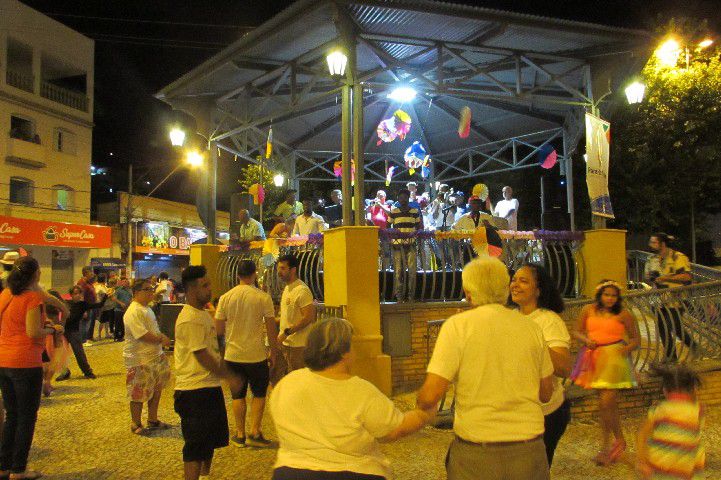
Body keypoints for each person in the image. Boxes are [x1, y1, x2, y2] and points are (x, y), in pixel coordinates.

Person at [417, 256, 555, 480]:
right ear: (505, 287)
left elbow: (431, 394)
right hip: (529, 450)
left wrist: (419, 409)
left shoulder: (458, 327)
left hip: (477, 453)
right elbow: (546, 392)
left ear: (468, 292)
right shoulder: (532, 328)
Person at [270, 318, 434, 480]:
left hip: (291, 471)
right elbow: (393, 431)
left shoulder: (288, 383)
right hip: (354, 471)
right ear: (344, 352)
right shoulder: (361, 391)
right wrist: (423, 415)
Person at [0, 256, 68, 480]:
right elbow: (32, 331)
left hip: (4, 361)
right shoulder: (31, 299)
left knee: (12, 416)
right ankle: (19, 469)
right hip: (25, 361)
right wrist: (52, 329)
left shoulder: (6, 294)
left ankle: (5, 466)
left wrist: (59, 308)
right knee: (27, 418)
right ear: (36, 274)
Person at [173, 266, 239, 480]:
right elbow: (201, 355)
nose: (210, 289)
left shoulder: (201, 314)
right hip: (193, 390)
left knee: (209, 440)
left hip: (208, 387)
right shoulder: (189, 318)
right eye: (205, 285)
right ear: (192, 290)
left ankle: (204, 476)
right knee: (195, 445)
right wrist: (229, 375)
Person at [571, 280, 641, 465]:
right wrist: (586, 340)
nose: (610, 298)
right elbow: (576, 331)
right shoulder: (588, 310)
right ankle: (617, 441)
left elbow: (635, 339)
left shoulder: (623, 314)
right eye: (606, 294)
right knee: (607, 406)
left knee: (605, 402)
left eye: (613, 295)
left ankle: (607, 445)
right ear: (600, 295)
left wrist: (624, 350)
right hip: (594, 357)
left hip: (614, 359)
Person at [510, 264, 572, 466]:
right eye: (514, 280)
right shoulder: (510, 318)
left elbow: (563, 367)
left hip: (547, 411)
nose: (515, 285)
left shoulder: (548, 320)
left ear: (538, 290)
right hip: (519, 409)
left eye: (523, 280)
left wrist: (533, 340)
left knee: (536, 468)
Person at [215, 260, 279, 448]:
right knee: (259, 394)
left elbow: (218, 329)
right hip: (256, 355)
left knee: (237, 395)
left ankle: (240, 434)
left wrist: (222, 353)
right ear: (253, 274)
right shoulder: (262, 297)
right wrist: (273, 352)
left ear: (238, 275)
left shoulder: (226, 297)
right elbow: (271, 327)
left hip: (232, 355)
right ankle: (255, 431)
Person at [636, 363, 705, 480]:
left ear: (665, 391)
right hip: (686, 469)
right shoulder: (698, 410)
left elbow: (641, 434)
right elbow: (695, 439)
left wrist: (642, 461)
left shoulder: (660, 409)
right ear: (693, 390)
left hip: (660, 467)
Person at [123, 278, 172, 435]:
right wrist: (160, 339)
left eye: (152, 289)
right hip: (140, 358)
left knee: (156, 389)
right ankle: (136, 423)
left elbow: (152, 329)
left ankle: (152, 419)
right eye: (147, 289)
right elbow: (141, 334)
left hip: (155, 355)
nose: (151, 292)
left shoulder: (147, 308)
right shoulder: (133, 311)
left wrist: (161, 338)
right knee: (138, 392)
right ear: (137, 292)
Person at [644, 233, 696, 361]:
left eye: (654, 242)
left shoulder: (678, 257)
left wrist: (665, 278)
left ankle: (693, 346)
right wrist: (651, 277)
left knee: (674, 326)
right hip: (657, 298)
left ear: (663, 244)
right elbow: (647, 276)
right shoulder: (652, 259)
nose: (651, 245)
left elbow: (686, 277)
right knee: (662, 327)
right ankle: (671, 356)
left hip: (676, 299)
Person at [54, 285, 104, 381]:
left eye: (79, 293)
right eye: (74, 293)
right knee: (61, 353)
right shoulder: (67, 303)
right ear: (71, 295)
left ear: (81, 294)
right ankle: (64, 372)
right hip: (63, 331)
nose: (77, 295)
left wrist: (106, 296)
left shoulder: (83, 304)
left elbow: (99, 305)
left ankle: (87, 371)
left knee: (79, 352)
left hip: (73, 331)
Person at [276, 254, 316, 373]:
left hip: (299, 345)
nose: (279, 272)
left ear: (293, 270)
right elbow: (289, 317)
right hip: (286, 344)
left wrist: (287, 332)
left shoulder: (301, 290)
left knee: (300, 380)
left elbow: (308, 317)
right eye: (279, 268)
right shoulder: (287, 289)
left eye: (283, 268)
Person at [388, 189, 422, 302]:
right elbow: (388, 226)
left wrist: (416, 236)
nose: (403, 199)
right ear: (398, 199)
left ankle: (411, 296)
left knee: (412, 272)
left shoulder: (415, 211)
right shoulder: (393, 211)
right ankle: (399, 297)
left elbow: (419, 227)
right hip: (397, 245)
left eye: (405, 197)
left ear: (408, 199)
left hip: (411, 244)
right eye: (401, 197)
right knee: (398, 271)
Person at [76, 266, 96, 344]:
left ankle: (84, 339)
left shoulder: (88, 282)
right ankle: (82, 341)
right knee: (83, 324)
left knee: (87, 324)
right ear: (85, 273)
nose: (92, 274)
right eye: (91, 272)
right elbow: (81, 296)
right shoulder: (82, 283)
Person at [113, 277, 132, 342]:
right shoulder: (118, 290)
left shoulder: (130, 290)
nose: (126, 283)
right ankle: (116, 337)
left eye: (126, 282)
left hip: (127, 309)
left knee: (124, 324)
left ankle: (122, 336)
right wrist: (121, 303)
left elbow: (131, 298)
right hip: (118, 309)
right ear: (121, 282)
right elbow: (114, 298)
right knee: (118, 324)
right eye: (124, 281)